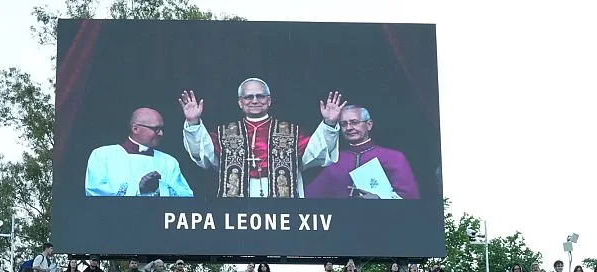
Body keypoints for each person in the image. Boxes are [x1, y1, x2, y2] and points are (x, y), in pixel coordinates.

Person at [181, 79, 343, 198]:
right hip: (236, 202)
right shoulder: (224, 133)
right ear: (240, 103)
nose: (255, 101)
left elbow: (316, 154)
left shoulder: (292, 132)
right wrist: (193, 122)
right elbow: (203, 157)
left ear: (269, 100)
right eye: (248, 97)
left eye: (260, 96)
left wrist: (329, 124)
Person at [306, 105, 420, 199]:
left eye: (354, 122)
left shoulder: (394, 158)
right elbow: (310, 196)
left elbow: (411, 198)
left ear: (369, 125)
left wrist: (380, 200)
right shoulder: (335, 159)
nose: (349, 127)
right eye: (344, 124)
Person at [86, 107, 193, 197]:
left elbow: (185, 196)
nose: (161, 133)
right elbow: (94, 192)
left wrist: (159, 188)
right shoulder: (102, 155)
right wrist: (138, 189)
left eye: (161, 128)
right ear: (135, 129)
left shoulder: (169, 162)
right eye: (156, 129)